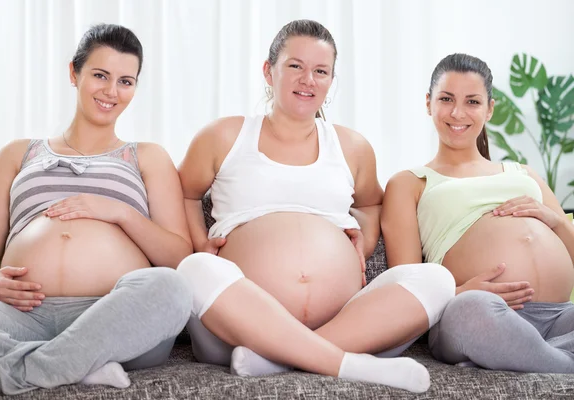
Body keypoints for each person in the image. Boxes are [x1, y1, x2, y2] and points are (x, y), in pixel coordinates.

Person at [176, 19, 455, 394]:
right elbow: (184, 194)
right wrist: (200, 243)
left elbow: (371, 204)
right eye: (295, 66)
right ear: (268, 71)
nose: (308, 79)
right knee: (194, 270)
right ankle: (343, 362)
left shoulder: (352, 146)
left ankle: (279, 358)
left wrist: (364, 243)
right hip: (235, 328)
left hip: (341, 320)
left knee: (437, 279)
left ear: (330, 81)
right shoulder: (224, 136)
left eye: (320, 71)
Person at [0, 24, 193, 397]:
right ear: (73, 73)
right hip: (19, 316)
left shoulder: (148, 157)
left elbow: (178, 257)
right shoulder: (18, 153)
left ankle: (6, 374)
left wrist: (118, 212)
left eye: (126, 81)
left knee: (171, 288)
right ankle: (77, 364)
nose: (112, 91)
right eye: (100, 75)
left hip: (115, 317)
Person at [381, 53, 574, 373]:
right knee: (473, 312)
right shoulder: (410, 182)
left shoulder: (524, 173)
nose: (458, 112)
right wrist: (458, 292)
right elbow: (408, 284)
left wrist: (555, 221)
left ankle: (528, 356)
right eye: (446, 99)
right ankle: (558, 363)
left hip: (557, 316)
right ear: (428, 103)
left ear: (490, 108)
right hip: (474, 310)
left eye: (472, 101)